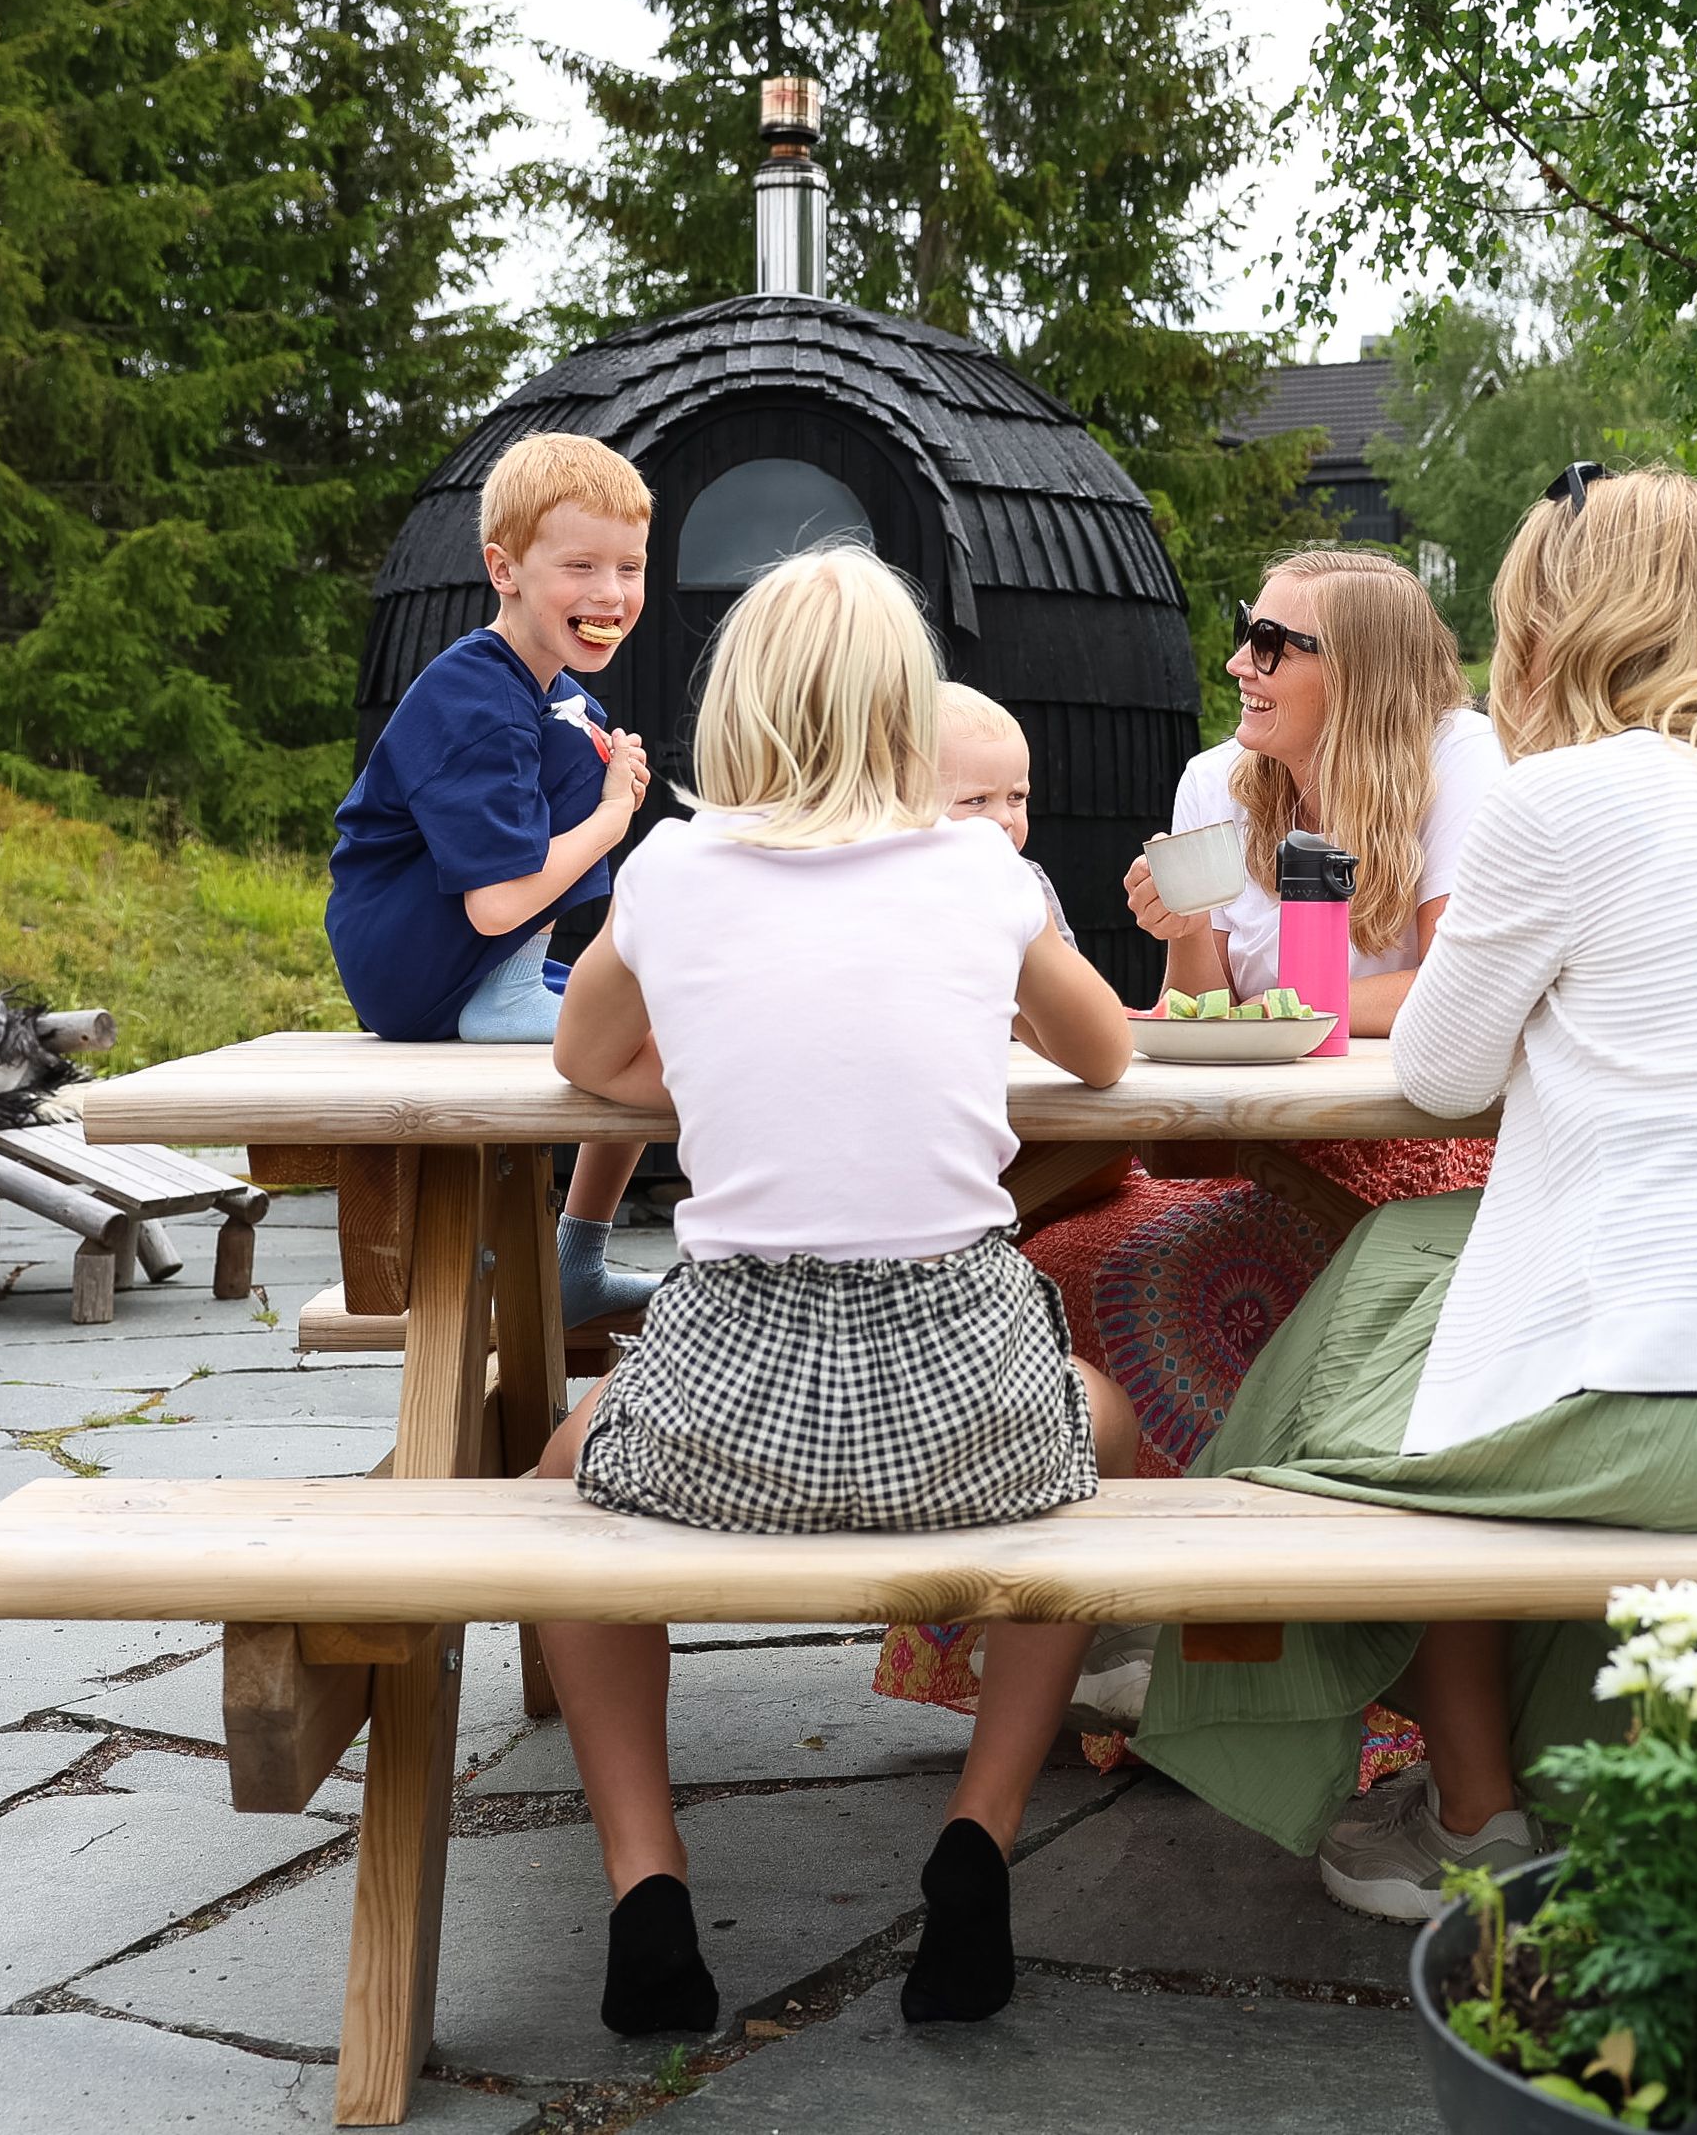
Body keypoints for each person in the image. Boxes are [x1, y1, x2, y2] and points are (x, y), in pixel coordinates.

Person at [1132, 466, 1697, 1923]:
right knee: (1422, 1262)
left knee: (1365, 1349)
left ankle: (1447, 1798)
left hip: (1677, 1416)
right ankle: (1527, 1790)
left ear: (1557, 623)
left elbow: (1443, 1071)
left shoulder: (1562, 800)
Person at [528, 546, 1144, 2036]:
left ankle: (645, 1878)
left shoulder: (671, 872)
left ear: (738, 703)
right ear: (901, 718)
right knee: (1100, 1432)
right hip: (964, 1413)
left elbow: (584, 1064)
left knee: (555, 1478)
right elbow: (1108, 1056)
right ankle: (977, 1836)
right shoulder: (982, 875)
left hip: (727, 1405)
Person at [871, 551, 1506, 1732]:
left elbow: (1454, 990)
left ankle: (1261, 1680)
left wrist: (1291, 1014)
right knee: (1072, 1262)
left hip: (1420, 1150)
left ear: (1356, 670)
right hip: (1247, 1145)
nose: (1237, 664)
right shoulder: (1220, 777)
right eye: (1243, 631)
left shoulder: (1459, 760)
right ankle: (1104, 1627)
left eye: (1271, 644)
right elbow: (1197, 1000)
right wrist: (1189, 936)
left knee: (1228, 1292)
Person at [325, 432, 664, 1325]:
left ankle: (576, 1257)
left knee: (652, 1011)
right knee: (574, 744)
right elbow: (499, 904)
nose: (608, 594)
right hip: (423, 962)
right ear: (503, 569)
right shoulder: (480, 699)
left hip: (452, 959)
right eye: (580, 566)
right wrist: (609, 814)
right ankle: (513, 997)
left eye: (628, 568)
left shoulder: (552, 689)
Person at [936, 682, 1069, 941]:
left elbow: (1069, 976)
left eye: (1016, 797)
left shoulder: (1028, 885)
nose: (1005, 818)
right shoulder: (893, 887)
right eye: (977, 800)